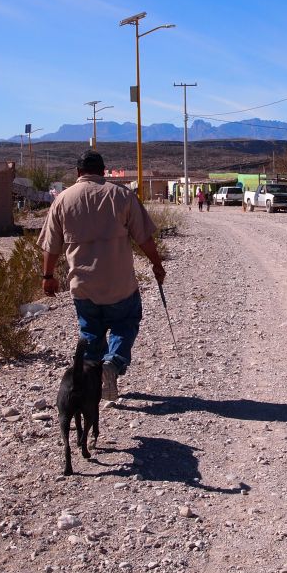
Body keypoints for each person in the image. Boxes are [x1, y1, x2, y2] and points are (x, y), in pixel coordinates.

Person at [38, 150, 166, 400]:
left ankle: (92, 382)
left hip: (83, 285)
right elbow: (144, 238)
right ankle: (113, 365)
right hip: (120, 284)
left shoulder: (62, 200)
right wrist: (157, 265)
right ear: (104, 171)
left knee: (91, 333)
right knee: (125, 323)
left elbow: (50, 246)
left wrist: (47, 276)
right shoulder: (122, 195)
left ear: (78, 173)